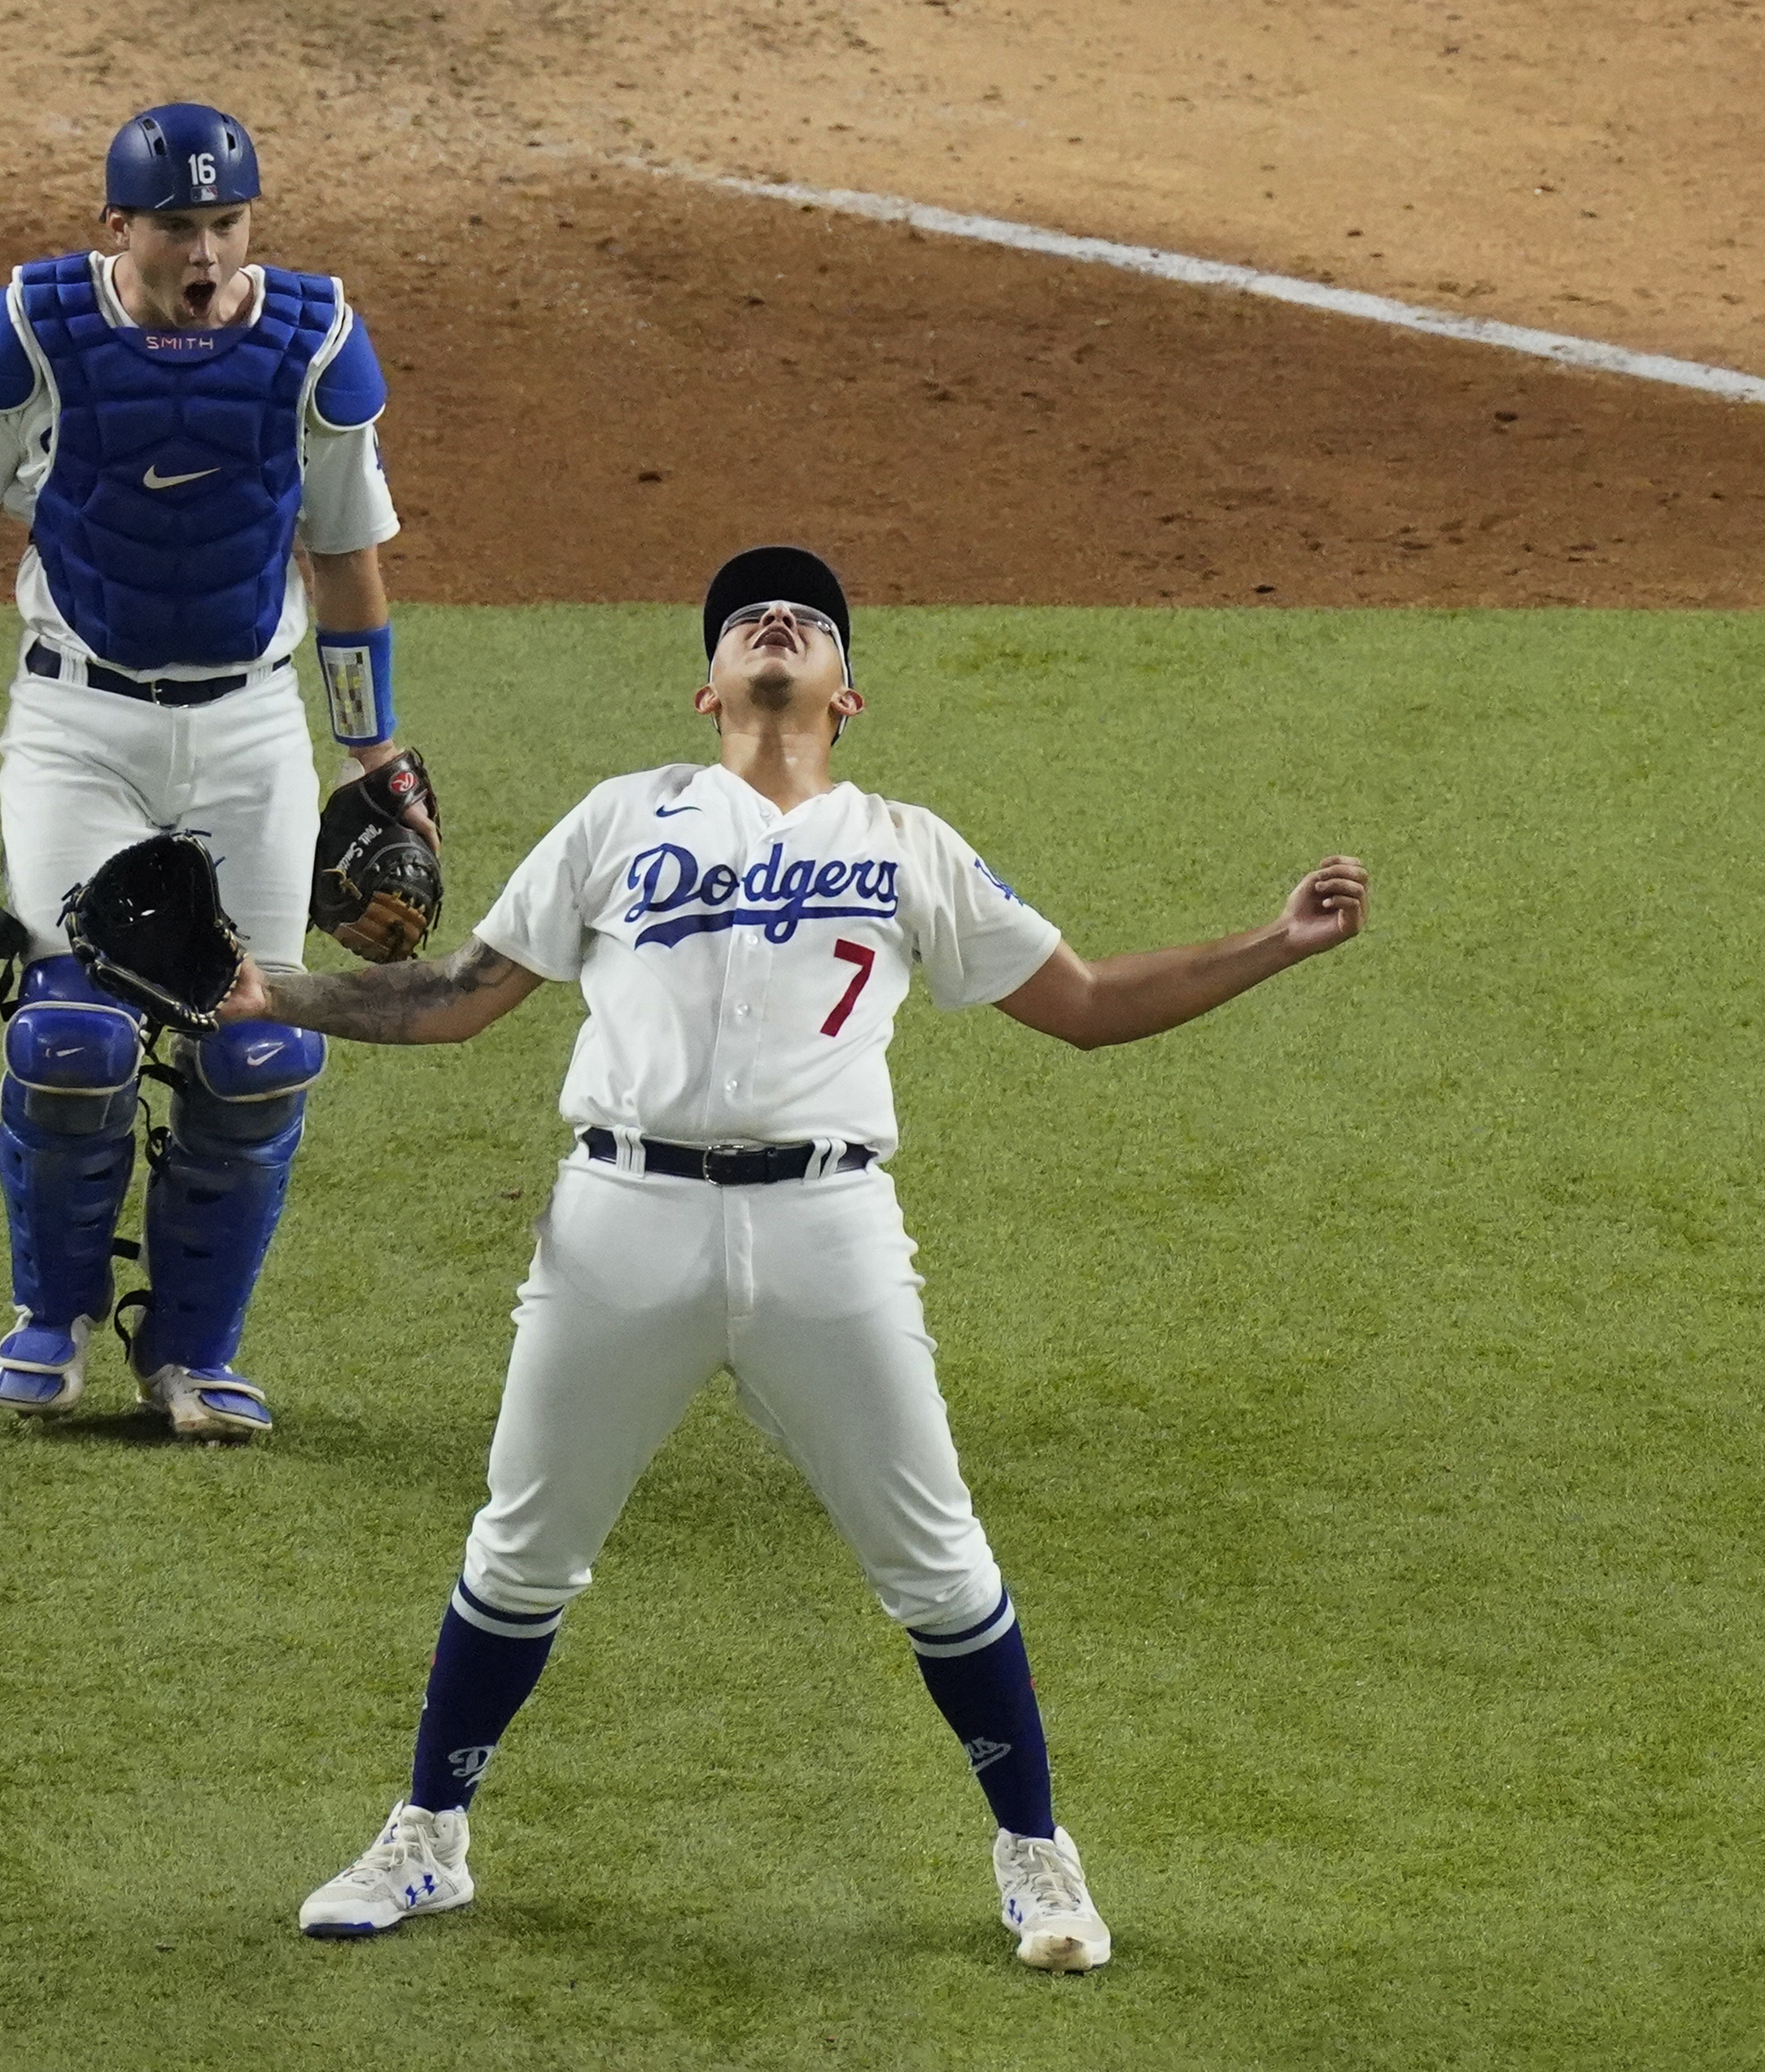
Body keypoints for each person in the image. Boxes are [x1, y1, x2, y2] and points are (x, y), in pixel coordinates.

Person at [221, 545, 1370, 1969]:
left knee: (937, 1564)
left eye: (809, 623)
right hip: (615, 1223)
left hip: (826, 1229)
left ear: (849, 693)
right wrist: (272, 988)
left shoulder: (907, 843)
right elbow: (458, 997)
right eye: (752, 620)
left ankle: (1038, 1860)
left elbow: (1083, 1004)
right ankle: (428, 1838)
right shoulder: (615, 818)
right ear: (705, 687)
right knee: (520, 1554)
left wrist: (1274, 940)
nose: (779, 624)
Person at [0, 103, 429, 1438]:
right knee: (72, 1040)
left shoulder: (315, 351)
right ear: (115, 225)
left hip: (249, 731)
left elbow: (348, 560)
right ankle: (50, 1320)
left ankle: (192, 1353)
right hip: (79, 729)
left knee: (261, 1045)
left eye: (226, 224)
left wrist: (374, 748)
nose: (205, 251)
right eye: (177, 226)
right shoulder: (25, 338)